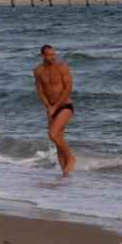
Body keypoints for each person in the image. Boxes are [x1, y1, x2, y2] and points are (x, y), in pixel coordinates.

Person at [33, 44, 76, 175]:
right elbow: (40, 91)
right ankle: (65, 175)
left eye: (54, 54)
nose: (53, 57)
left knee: (52, 134)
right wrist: (49, 107)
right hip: (51, 108)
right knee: (58, 141)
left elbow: (68, 88)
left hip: (65, 106)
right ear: (42, 56)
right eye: (50, 55)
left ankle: (71, 157)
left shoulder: (62, 67)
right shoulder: (38, 70)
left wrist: (55, 107)